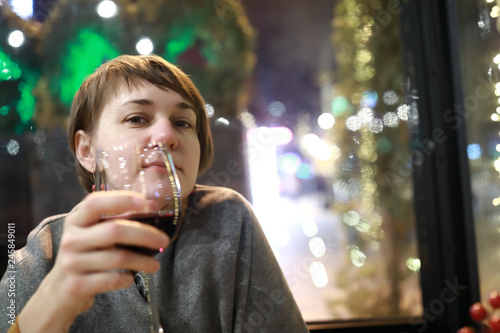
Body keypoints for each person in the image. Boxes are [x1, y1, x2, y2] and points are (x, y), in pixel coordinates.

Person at [0, 54, 309, 333]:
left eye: (182, 122)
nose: (166, 136)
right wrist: (49, 308)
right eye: (137, 118)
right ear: (87, 149)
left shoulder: (228, 219)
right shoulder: (46, 251)